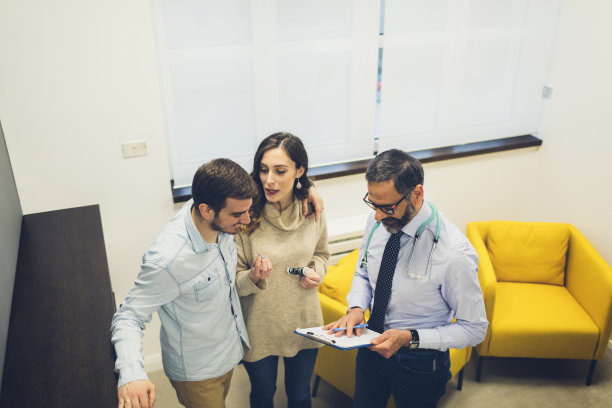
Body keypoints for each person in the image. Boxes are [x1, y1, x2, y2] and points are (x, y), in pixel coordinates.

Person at [111, 158, 323, 408]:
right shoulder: (168, 260)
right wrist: (132, 374)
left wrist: (307, 188)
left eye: (248, 210)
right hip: (197, 372)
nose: (246, 220)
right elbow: (129, 318)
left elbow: (264, 178)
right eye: (237, 214)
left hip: (228, 355)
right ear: (206, 210)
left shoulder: (219, 206)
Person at [323, 149, 488, 408]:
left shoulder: (454, 254)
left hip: (419, 362)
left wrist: (409, 337)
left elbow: (474, 328)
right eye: (372, 203)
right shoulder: (378, 220)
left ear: (417, 193)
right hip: (370, 343)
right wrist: (356, 307)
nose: (377, 216)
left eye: (386, 207)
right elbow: (363, 271)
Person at [235, 132, 330, 408]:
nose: (269, 180)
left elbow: (322, 253)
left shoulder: (313, 208)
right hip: (260, 325)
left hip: (304, 320)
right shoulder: (245, 213)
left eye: (280, 171)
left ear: (300, 171)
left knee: (299, 395)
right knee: (263, 396)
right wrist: (253, 277)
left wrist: (317, 272)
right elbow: (234, 282)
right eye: (263, 170)